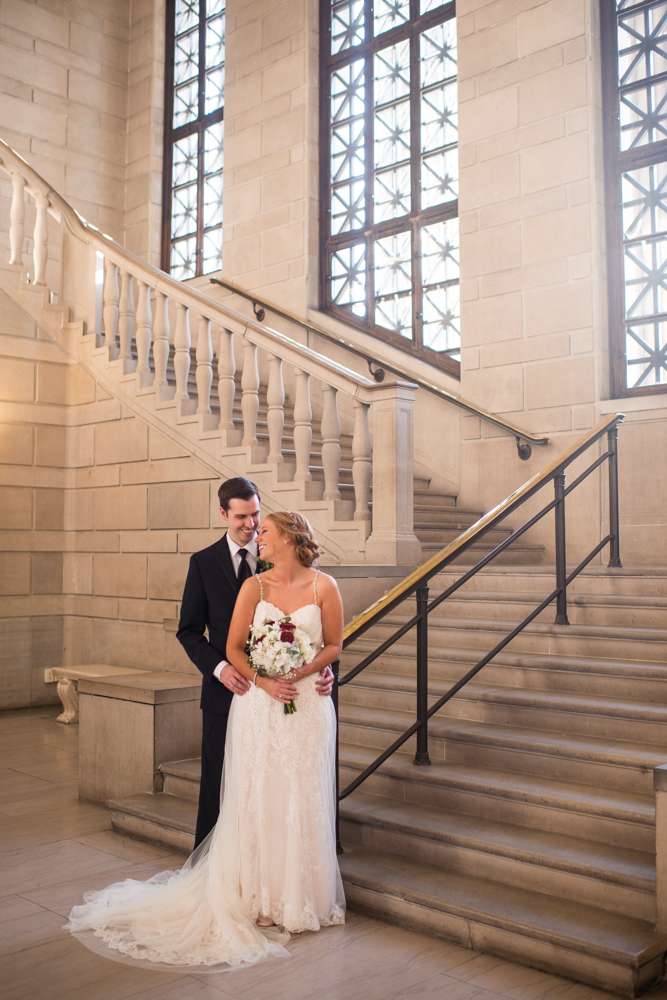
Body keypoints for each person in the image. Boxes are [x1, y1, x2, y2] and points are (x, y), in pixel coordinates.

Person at [66, 510, 345, 970]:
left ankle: (300, 897)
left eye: (266, 533)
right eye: (256, 531)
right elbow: (234, 646)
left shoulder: (325, 586)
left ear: (291, 538)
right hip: (260, 703)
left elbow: (333, 643)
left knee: (300, 795)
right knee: (257, 796)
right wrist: (266, 680)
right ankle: (257, 896)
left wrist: (308, 669)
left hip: (307, 708)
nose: (258, 539)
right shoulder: (254, 587)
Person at [176, 477, 334, 846]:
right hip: (226, 690)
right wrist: (221, 668)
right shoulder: (202, 564)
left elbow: (315, 634)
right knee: (218, 785)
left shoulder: (282, 564)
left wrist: (323, 670)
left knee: (281, 786)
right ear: (223, 514)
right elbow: (188, 632)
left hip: (285, 697)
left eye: (256, 515)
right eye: (242, 517)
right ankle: (211, 870)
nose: (250, 525)